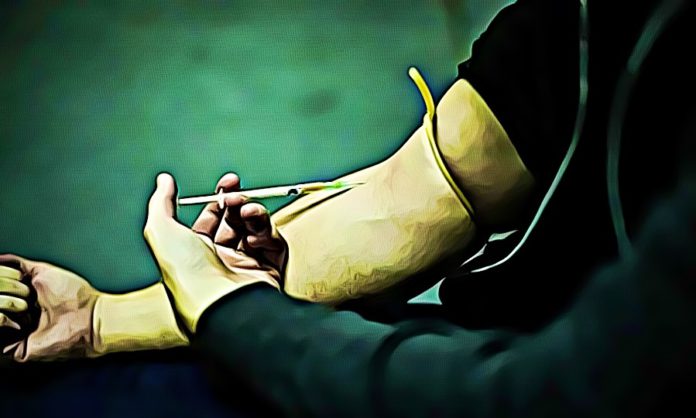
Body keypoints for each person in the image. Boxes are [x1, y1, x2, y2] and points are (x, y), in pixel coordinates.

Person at [2, 0, 695, 416]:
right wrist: (97, 320)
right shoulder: (600, 24)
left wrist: (240, 317)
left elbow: (528, 400)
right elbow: (418, 195)